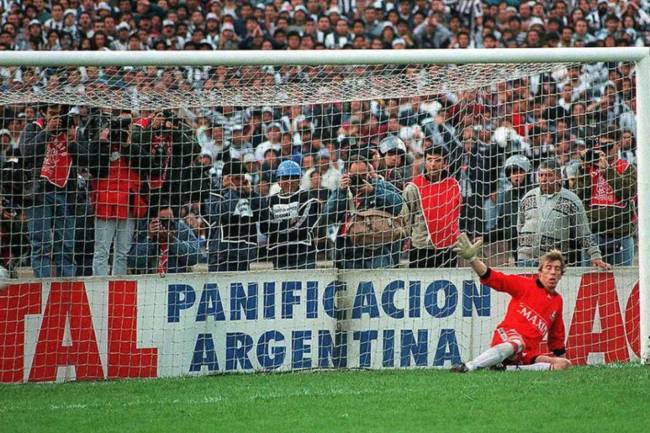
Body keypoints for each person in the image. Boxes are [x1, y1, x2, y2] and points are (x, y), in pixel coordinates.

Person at [451, 233, 572, 372]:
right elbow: (493, 278)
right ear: (540, 271)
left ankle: (504, 369)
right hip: (507, 336)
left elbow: (556, 337)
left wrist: (561, 358)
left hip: (527, 352)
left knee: (564, 364)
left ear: (561, 274)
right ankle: (468, 366)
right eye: (548, 268)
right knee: (516, 343)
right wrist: (473, 259)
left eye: (557, 269)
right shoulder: (525, 284)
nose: (552, 272)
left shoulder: (557, 301)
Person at [20, 104, 88, 278]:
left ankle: (67, 286)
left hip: (67, 193)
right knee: (41, 243)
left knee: (66, 244)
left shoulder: (72, 131)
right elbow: (26, 153)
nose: (57, 119)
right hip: (39, 193)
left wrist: (72, 142)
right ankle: (43, 284)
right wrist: (46, 132)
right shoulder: (33, 128)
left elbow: (88, 160)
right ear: (43, 113)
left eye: (60, 115)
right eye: (52, 114)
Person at [517, 158, 609, 269]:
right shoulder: (528, 197)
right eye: (541, 175)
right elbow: (520, 226)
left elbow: (583, 232)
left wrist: (595, 255)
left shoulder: (572, 200)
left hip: (553, 262)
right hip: (525, 259)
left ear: (559, 177)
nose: (543, 179)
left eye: (548, 175)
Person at [324, 155, 403, 269]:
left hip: (378, 249)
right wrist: (341, 192)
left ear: (369, 172)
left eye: (363, 175)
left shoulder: (379, 185)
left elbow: (399, 204)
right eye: (355, 176)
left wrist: (373, 191)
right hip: (349, 250)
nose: (359, 180)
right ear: (347, 173)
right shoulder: (342, 190)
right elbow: (328, 214)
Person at [574, 141, 637, 266]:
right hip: (593, 233)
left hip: (621, 234)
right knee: (588, 279)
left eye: (608, 146)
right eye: (601, 147)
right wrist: (583, 169)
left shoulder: (627, 167)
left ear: (618, 145)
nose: (605, 150)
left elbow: (627, 193)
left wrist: (607, 170)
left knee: (623, 280)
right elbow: (579, 196)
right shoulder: (588, 168)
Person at [402, 145, 462, 268]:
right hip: (422, 247)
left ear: (445, 163)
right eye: (429, 160)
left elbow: (457, 214)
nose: (433, 164)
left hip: (449, 246)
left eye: (437, 160)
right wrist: (406, 239)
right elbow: (406, 217)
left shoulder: (455, 185)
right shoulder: (413, 187)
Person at [204, 160, 264, 272]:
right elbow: (224, 215)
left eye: (242, 178)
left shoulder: (247, 195)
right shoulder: (213, 195)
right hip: (221, 255)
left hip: (243, 254)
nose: (240, 182)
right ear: (224, 179)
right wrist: (231, 191)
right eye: (236, 179)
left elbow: (263, 215)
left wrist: (251, 193)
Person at [260, 160, 320, 269]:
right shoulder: (270, 201)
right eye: (285, 178)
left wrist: (276, 226)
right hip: (278, 254)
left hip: (303, 253)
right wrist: (289, 222)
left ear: (299, 180)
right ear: (278, 181)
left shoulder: (308, 198)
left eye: (293, 177)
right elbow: (264, 227)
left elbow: (303, 228)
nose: (289, 181)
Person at [128, 206, 201, 274]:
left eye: (170, 220)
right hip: (150, 280)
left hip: (176, 279)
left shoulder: (182, 229)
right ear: (153, 220)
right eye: (163, 220)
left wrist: (173, 241)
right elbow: (133, 262)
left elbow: (195, 258)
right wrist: (149, 238)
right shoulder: (144, 230)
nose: (167, 224)